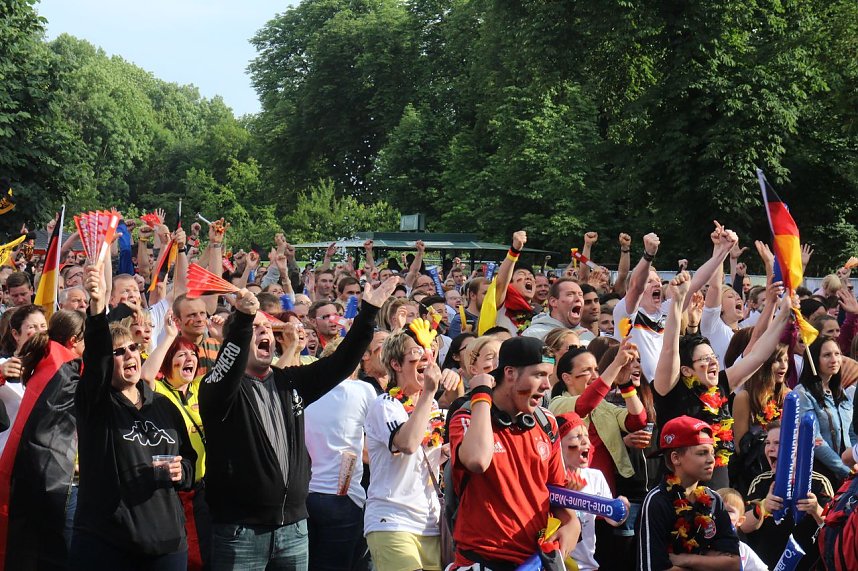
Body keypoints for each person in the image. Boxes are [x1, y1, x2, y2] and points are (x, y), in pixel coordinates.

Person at [198, 277, 395, 571]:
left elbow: (340, 363)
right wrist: (242, 321)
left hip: (293, 528)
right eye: (255, 328)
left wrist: (368, 313)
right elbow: (226, 370)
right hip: (241, 531)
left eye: (267, 328)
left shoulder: (288, 382)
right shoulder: (217, 389)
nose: (264, 331)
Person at [72, 263, 196, 570]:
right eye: (119, 352)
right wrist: (97, 309)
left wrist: (182, 472)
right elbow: (96, 358)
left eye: (132, 349)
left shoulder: (163, 406)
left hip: (167, 544)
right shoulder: (96, 404)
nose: (130, 355)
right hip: (108, 543)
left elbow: (189, 460)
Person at [448, 336, 581, 569]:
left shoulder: (546, 422)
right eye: (539, 375)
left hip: (533, 561)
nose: (547, 385)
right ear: (509, 372)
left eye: (548, 376)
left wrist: (572, 523)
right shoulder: (468, 416)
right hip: (482, 560)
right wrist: (481, 394)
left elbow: (556, 490)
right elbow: (477, 460)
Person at [652, 271, 791, 489]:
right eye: (704, 360)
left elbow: (758, 356)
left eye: (713, 357)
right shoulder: (670, 389)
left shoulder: (722, 384)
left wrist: (784, 314)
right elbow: (670, 349)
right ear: (686, 370)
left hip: (718, 487)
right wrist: (677, 303)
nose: (713, 363)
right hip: (677, 490)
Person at [0, 310, 82, 569]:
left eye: (43, 326)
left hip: (51, 476)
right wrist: (0, 374)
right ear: (16, 334)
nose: (39, 332)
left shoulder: (61, 369)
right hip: (12, 473)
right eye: (32, 327)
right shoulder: (5, 366)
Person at [363, 325, 446, 571]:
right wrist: (429, 392)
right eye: (416, 352)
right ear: (396, 364)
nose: (426, 357)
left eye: (430, 351)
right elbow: (408, 444)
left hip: (430, 524)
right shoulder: (385, 404)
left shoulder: (433, 408)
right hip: (392, 522)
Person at [304, 337, 377, 571]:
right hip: (343, 498)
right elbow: (379, 436)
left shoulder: (307, 391)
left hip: (307, 496)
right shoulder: (362, 389)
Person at [636, 416, 740, 571]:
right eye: (702, 453)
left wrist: (688, 560)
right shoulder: (656, 501)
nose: (711, 459)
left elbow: (734, 564)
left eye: (712, 453)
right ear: (676, 458)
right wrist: (711, 563)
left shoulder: (715, 499)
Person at [741, 420, 832, 571]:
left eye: (777, 443)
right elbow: (742, 526)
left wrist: (815, 509)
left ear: (797, 449)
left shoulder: (819, 482)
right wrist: (763, 507)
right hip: (768, 564)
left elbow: (832, 529)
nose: (770, 448)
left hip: (808, 565)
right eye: (767, 443)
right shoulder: (760, 481)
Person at [557, 412, 628, 571]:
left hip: (587, 567)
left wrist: (622, 510)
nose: (585, 441)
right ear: (558, 445)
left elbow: (612, 520)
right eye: (577, 437)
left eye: (586, 436)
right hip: (555, 565)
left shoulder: (595, 477)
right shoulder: (548, 479)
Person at [794, 335, 855, 485]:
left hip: (850, 471)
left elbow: (852, 432)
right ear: (815, 359)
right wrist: (845, 470)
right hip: (820, 475)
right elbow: (815, 440)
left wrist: (854, 462)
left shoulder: (841, 392)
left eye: (837, 354)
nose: (834, 360)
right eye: (827, 355)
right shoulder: (803, 393)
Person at [715, 489, 768, 571]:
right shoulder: (699, 541)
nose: (721, 513)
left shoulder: (742, 549)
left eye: (729, 511)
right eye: (716, 508)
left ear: (740, 520)